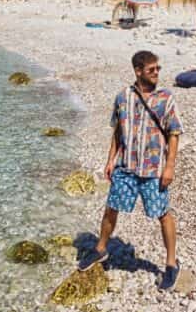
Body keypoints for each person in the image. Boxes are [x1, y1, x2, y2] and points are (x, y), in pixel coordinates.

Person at [77, 50, 184, 290]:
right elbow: (117, 130)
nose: (156, 73)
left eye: (158, 69)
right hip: (126, 167)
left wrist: (170, 166)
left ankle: (171, 263)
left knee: (162, 213)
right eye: (151, 70)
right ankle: (100, 249)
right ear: (137, 71)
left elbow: (174, 133)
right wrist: (110, 160)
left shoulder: (166, 98)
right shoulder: (123, 97)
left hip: (153, 170)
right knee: (111, 207)